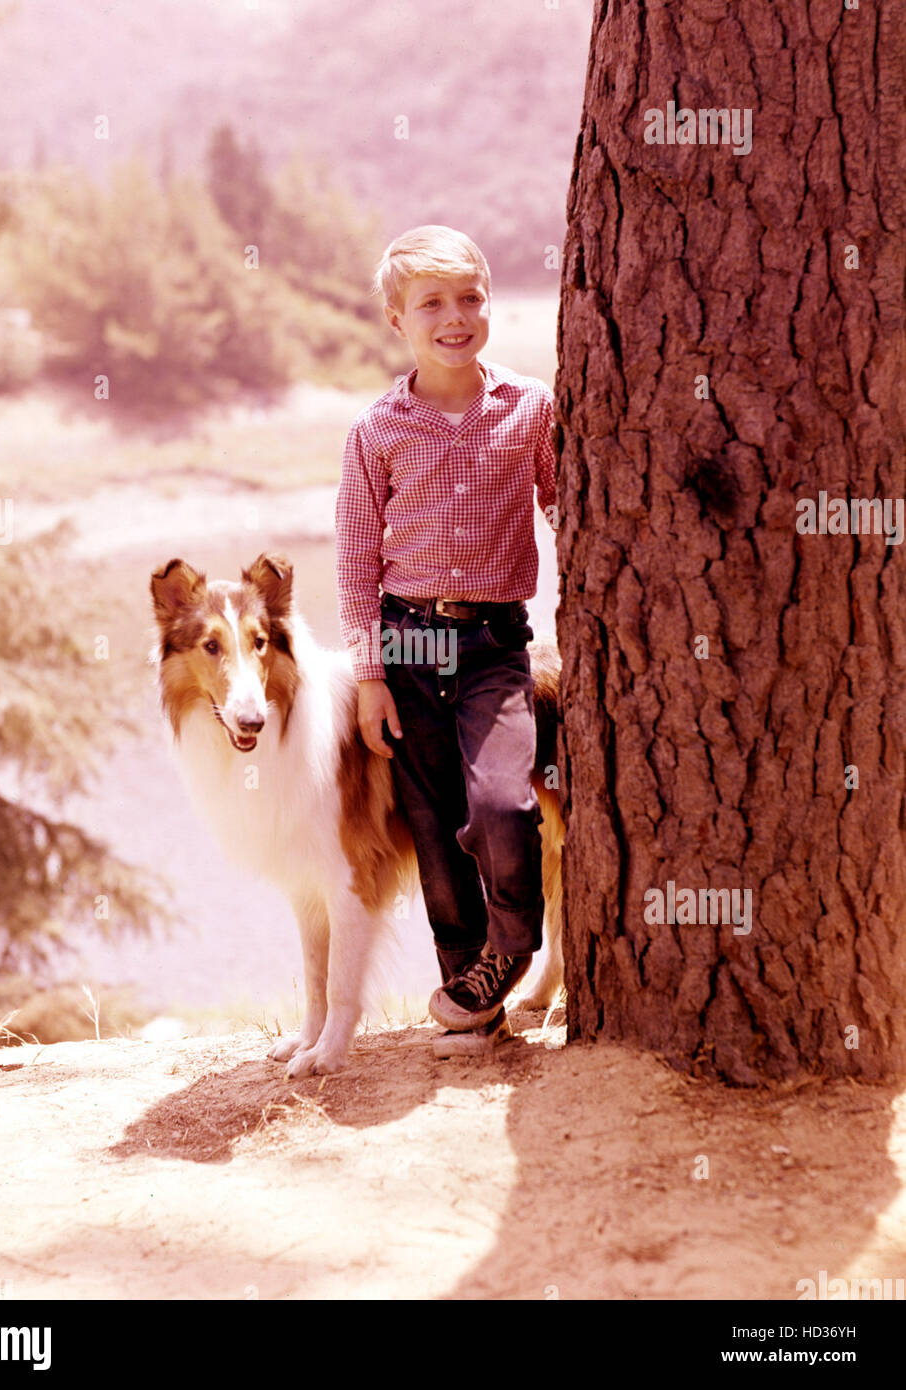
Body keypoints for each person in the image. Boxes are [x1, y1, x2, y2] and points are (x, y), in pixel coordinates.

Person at [334, 224, 557, 1056]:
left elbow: (566, 505)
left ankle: (511, 947)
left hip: (496, 643)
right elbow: (357, 562)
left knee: (503, 802)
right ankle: (472, 989)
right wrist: (369, 677)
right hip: (405, 645)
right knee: (435, 825)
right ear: (399, 320)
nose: (455, 317)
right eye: (432, 303)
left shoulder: (531, 406)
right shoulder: (377, 429)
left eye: (470, 298)